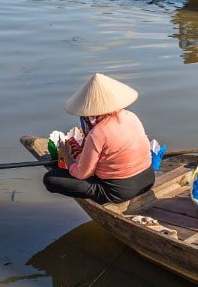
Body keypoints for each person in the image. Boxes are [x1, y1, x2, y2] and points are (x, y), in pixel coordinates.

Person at [42, 73, 155, 204]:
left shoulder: (98, 132)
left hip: (119, 192)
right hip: (148, 179)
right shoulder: (131, 116)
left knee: (50, 179)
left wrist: (67, 155)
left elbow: (82, 174)